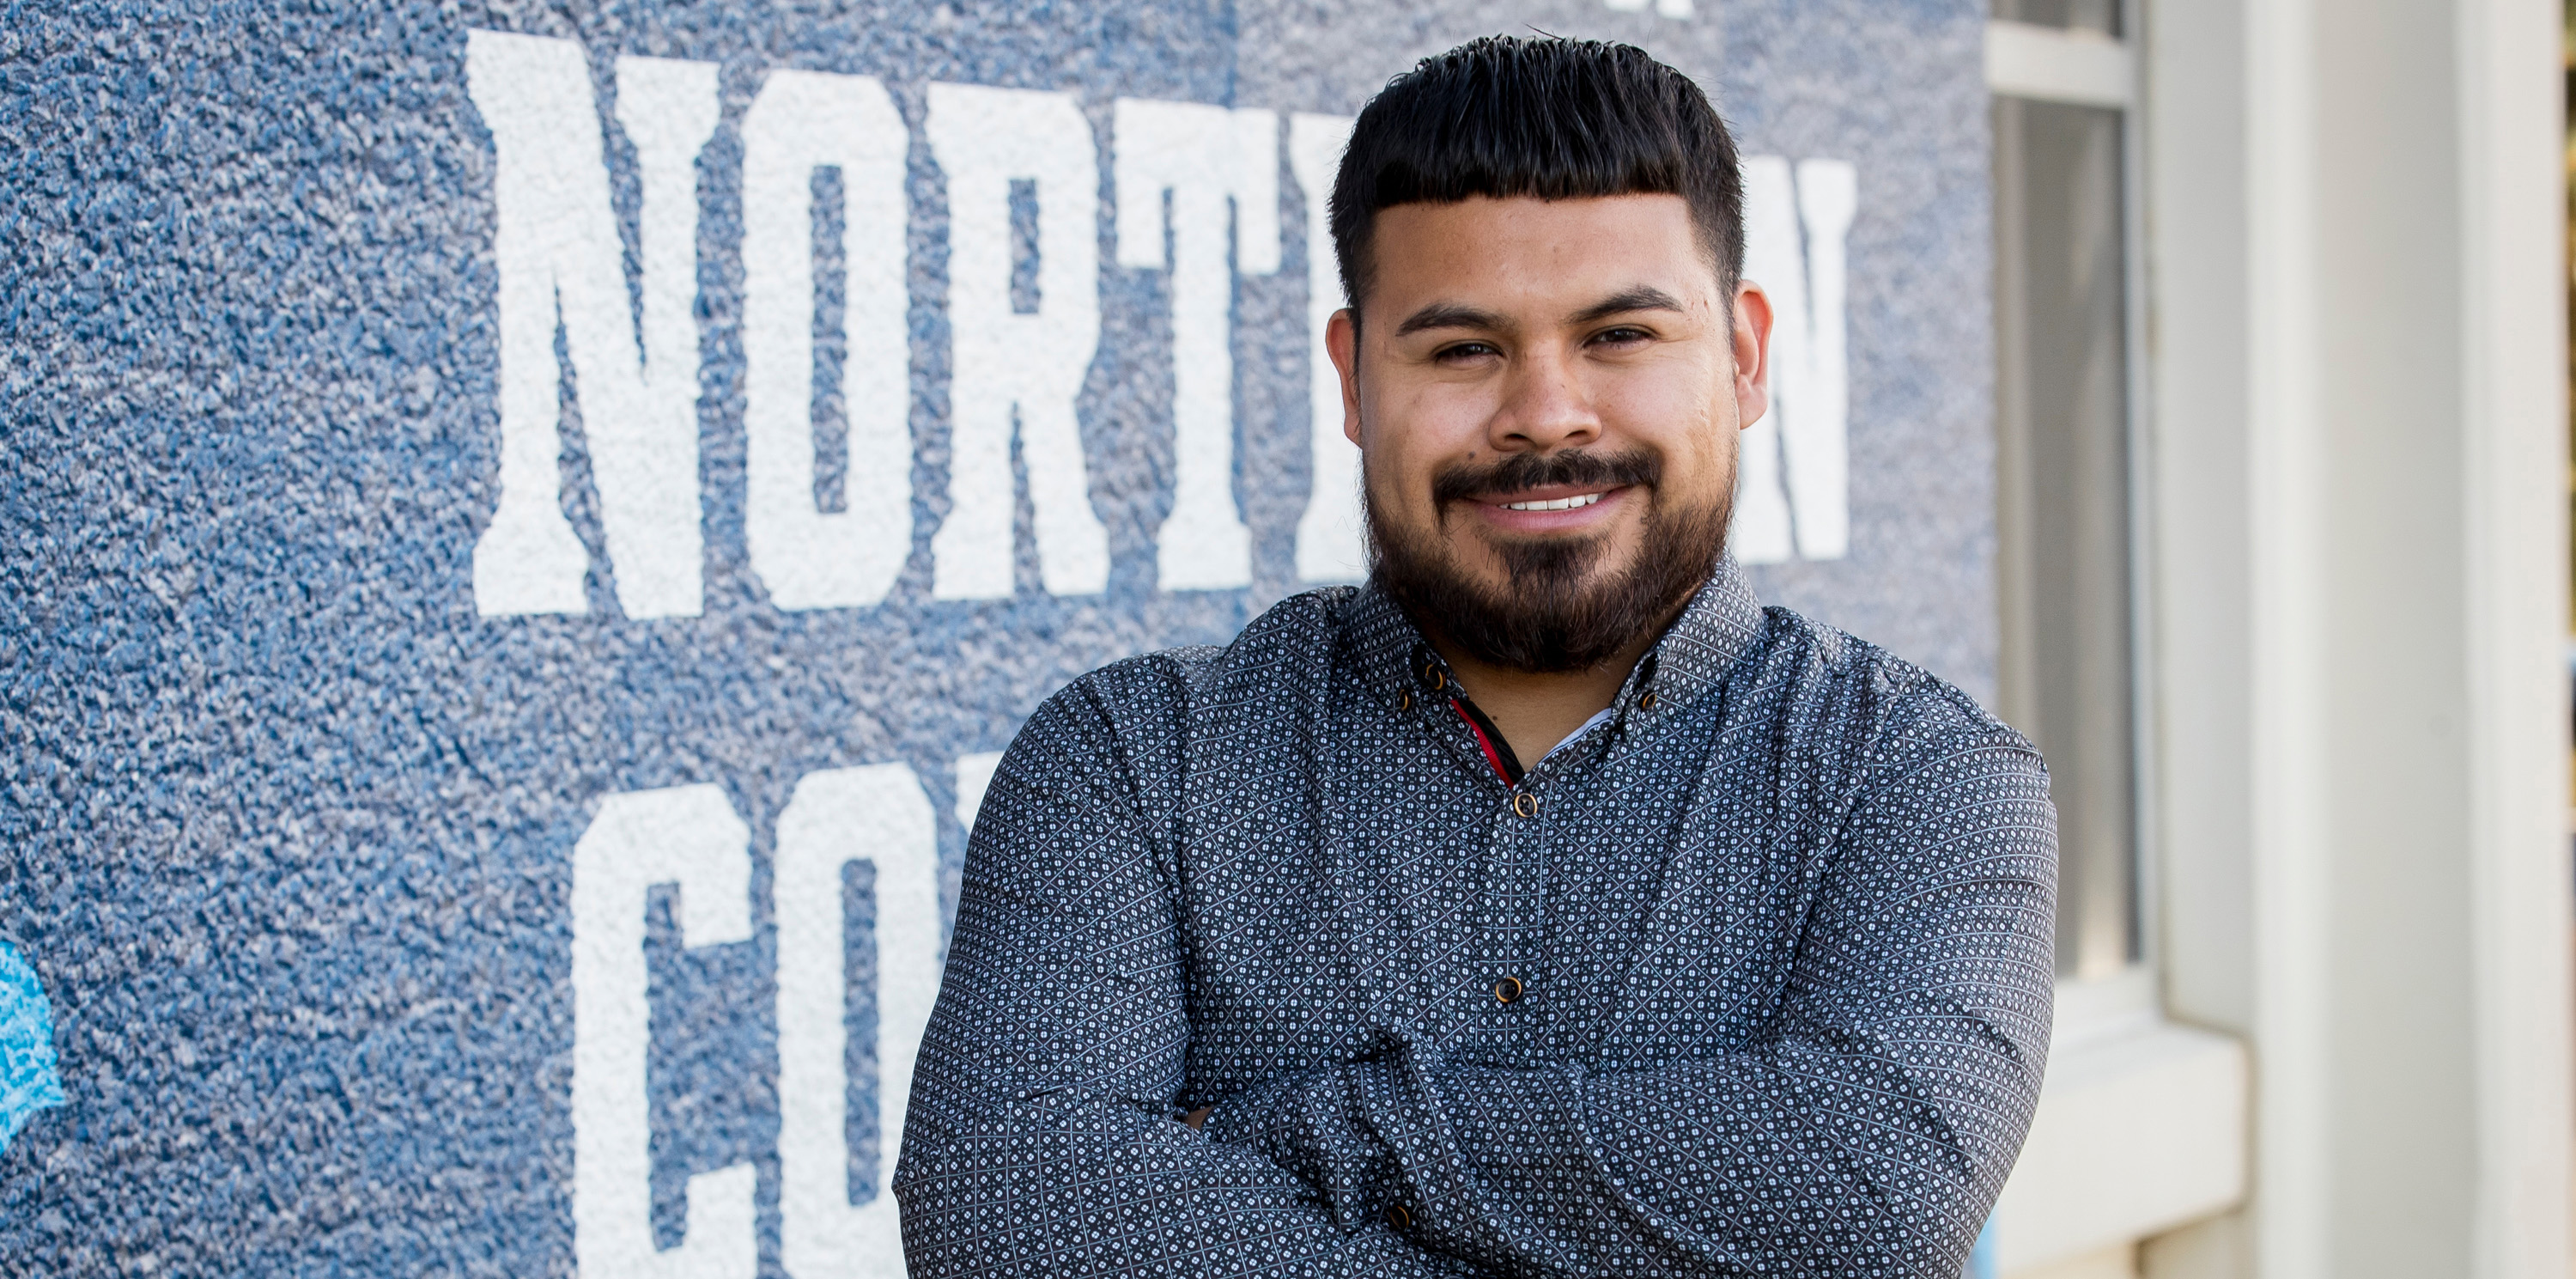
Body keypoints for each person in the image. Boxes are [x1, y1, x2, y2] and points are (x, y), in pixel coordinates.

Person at [894, 35, 2056, 1278]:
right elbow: (1000, 1211)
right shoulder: (1132, 767)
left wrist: (1328, 1128)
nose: (1545, 412)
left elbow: (1874, 1191)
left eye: (1620, 335)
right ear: (1352, 381)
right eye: (1461, 350)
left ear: (1743, 355)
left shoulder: (1924, 778)